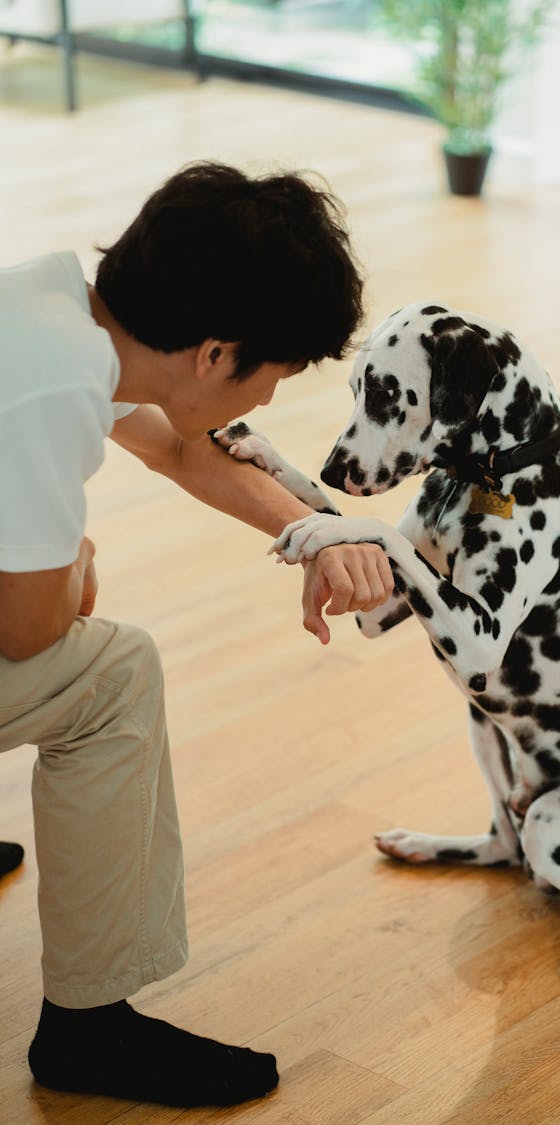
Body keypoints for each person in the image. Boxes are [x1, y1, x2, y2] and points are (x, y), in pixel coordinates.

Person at [0, 161, 394, 1108]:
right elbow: (29, 634)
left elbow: (184, 450)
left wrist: (321, 527)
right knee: (112, 673)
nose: (263, 406)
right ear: (216, 354)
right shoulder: (50, 389)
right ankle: (89, 1030)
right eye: (272, 376)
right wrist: (78, 561)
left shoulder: (50, 311)